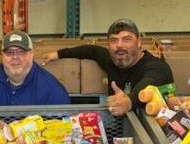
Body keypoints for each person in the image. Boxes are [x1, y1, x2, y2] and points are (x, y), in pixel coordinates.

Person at [41, 19, 173, 117]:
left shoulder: (156, 67)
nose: (119, 45)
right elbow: (91, 50)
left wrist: (129, 101)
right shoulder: (112, 60)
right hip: (119, 132)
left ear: (139, 43)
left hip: (151, 139)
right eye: (114, 40)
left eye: (127, 39)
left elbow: (153, 79)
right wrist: (58, 54)